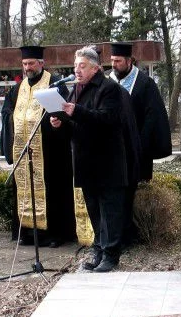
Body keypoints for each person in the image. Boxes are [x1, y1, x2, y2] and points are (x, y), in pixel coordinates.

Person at [50, 45, 128, 272]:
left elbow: (107, 120)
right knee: (94, 210)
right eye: (75, 66)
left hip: (108, 161)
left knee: (109, 212)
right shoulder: (75, 90)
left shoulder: (109, 88)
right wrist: (61, 122)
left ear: (95, 68)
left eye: (82, 66)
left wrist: (75, 112)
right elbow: (77, 125)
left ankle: (111, 255)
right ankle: (99, 251)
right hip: (85, 162)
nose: (77, 70)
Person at [1, 45, 76, 248]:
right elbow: (7, 111)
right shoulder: (18, 88)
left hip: (50, 152)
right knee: (25, 190)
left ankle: (54, 234)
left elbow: (63, 112)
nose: (28, 67)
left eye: (31, 63)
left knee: (53, 192)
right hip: (24, 151)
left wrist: (52, 123)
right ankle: (27, 233)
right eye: (25, 64)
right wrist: (13, 119)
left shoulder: (55, 84)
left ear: (41, 63)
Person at [109, 42, 172, 245]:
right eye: (112, 61)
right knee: (116, 194)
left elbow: (152, 117)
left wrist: (140, 145)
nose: (114, 65)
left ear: (129, 61)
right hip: (114, 150)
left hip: (137, 150)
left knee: (134, 193)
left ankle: (134, 233)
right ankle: (117, 234)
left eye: (118, 61)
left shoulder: (144, 83)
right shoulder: (109, 82)